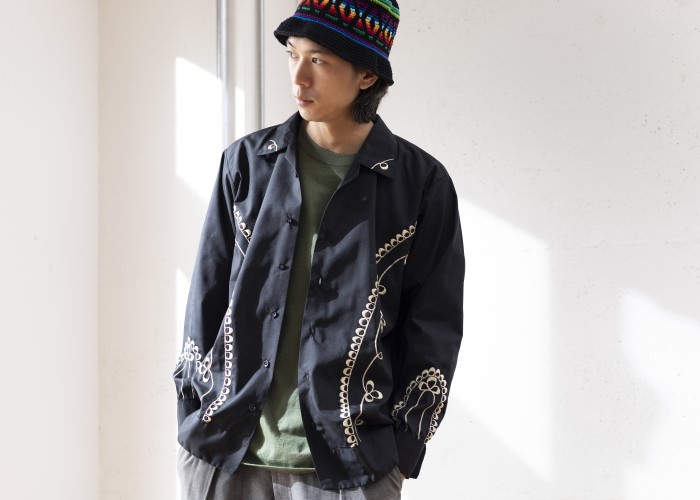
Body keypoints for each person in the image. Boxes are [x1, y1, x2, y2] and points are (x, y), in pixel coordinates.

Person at [173, 1, 464, 498]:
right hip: (225, 456)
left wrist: (401, 453)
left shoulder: (420, 184)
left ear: (367, 75)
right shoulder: (246, 165)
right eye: (293, 54)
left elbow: (433, 326)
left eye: (319, 61)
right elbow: (206, 297)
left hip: (352, 468)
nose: (298, 78)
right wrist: (193, 411)